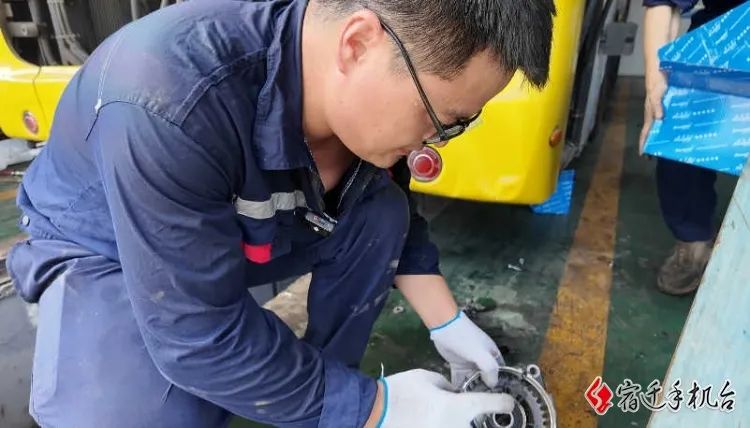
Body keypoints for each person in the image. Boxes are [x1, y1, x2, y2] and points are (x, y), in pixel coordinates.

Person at [7, 0, 556, 426]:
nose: (436, 140)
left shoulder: (363, 89)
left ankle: (323, 391)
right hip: (108, 245)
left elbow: (393, 211)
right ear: (358, 43)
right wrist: (378, 408)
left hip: (231, 224)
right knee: (146, 413)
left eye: (457, 125)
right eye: (441, 118)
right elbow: (194, 335)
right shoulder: (168, 96)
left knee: (380, 211)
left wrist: (447, 321)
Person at [639, 0, 746, 295]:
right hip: (723, 33)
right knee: (679, 130)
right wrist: (656, 87)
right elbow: (664, 3)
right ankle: (693, 241)